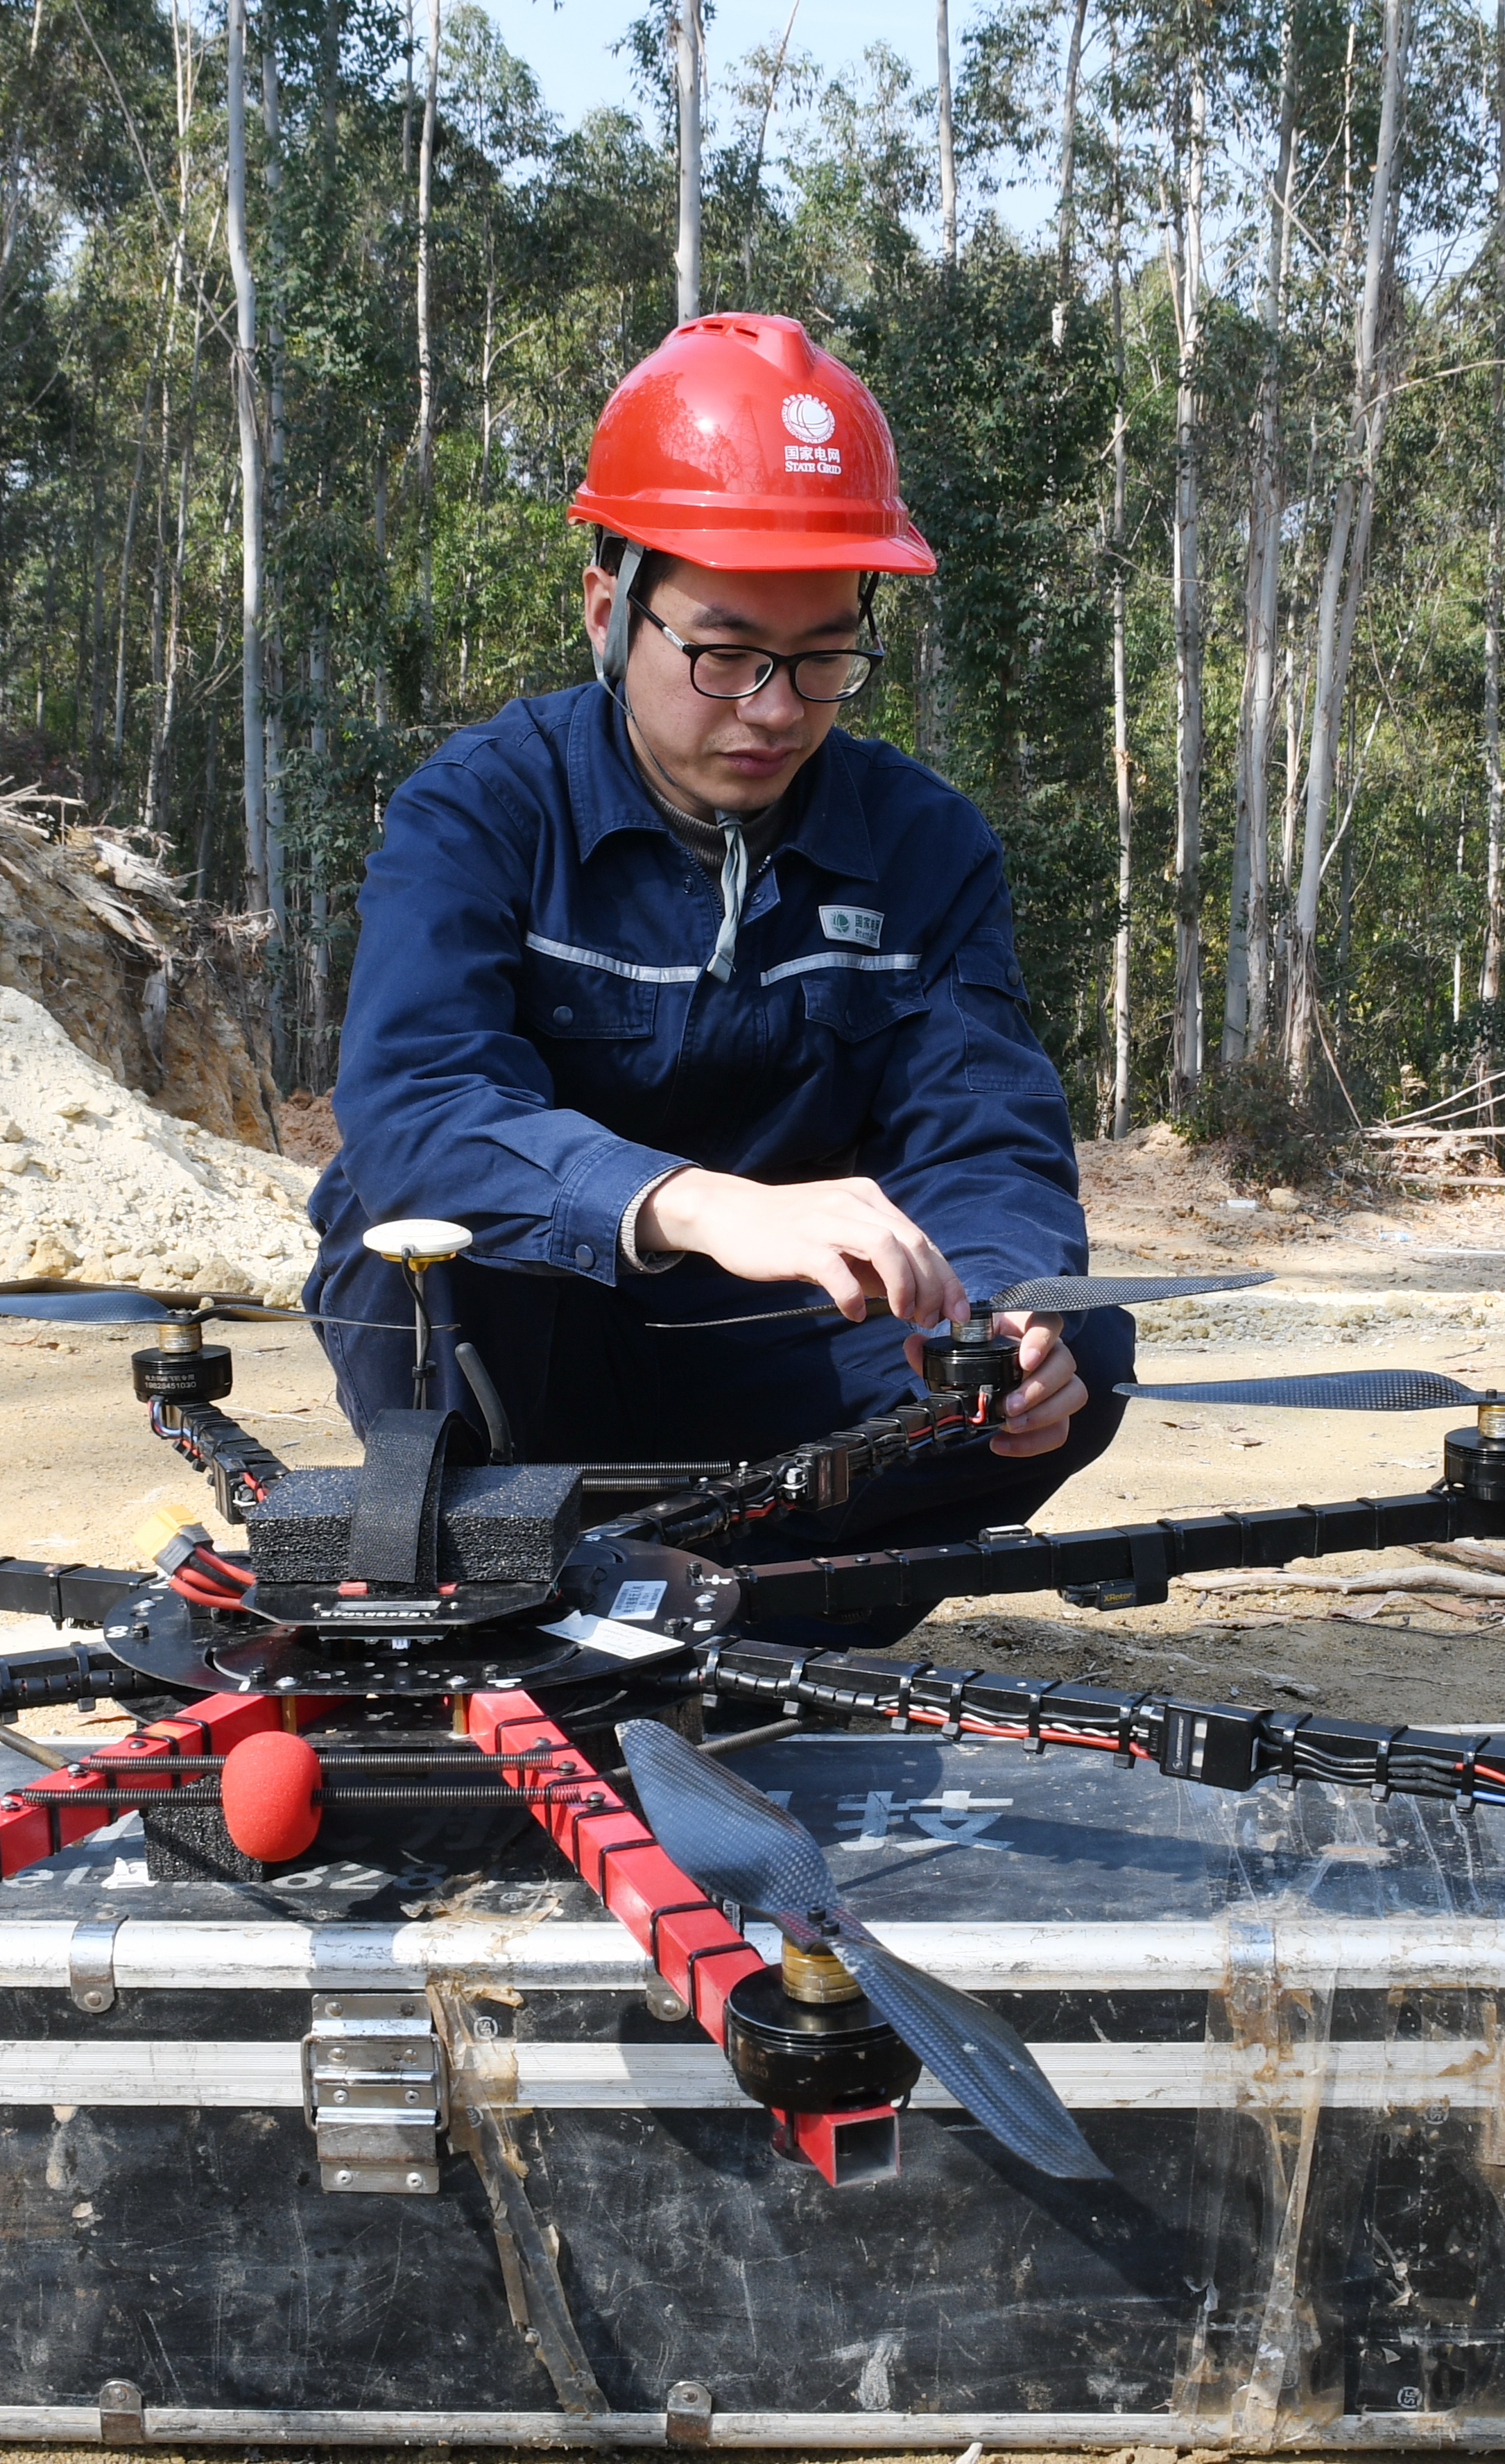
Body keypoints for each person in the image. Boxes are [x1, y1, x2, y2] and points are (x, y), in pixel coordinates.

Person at [304, 312, 1126, 1623]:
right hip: (535, 1346)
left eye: (822, 656)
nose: (777, 708)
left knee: (1067, 1355)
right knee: (408, 1258)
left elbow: (985, 1137)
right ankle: (521, 1589)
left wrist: (1007, 1307)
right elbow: (414, 1112)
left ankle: (740, 1627)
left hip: (781, 1363)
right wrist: (694, 1203)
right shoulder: (477, 808)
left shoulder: (923, 841)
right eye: (725, 653)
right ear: (606, 609)